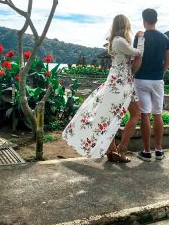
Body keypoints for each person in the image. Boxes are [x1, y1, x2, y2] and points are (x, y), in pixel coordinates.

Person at [62, 14, 144, 163]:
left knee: (117, 115)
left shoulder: (117, 41)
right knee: (126, 115)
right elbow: (138, 53)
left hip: (122, 83)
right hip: (119, 84)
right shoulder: (119, 41)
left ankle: (113, 150)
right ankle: (118, 149)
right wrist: (141, 39)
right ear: (125, 26)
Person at [134, 8, 169, 162]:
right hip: (157, 80)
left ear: (144, 20)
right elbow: (167, 61)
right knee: (157, 114)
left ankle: (147, 151)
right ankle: (159, 150)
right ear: (156, 20)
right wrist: (160, 73)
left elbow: (136, 58)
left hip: (141, 79)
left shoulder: (140, 38)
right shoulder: (165, 38)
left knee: (145, 115)